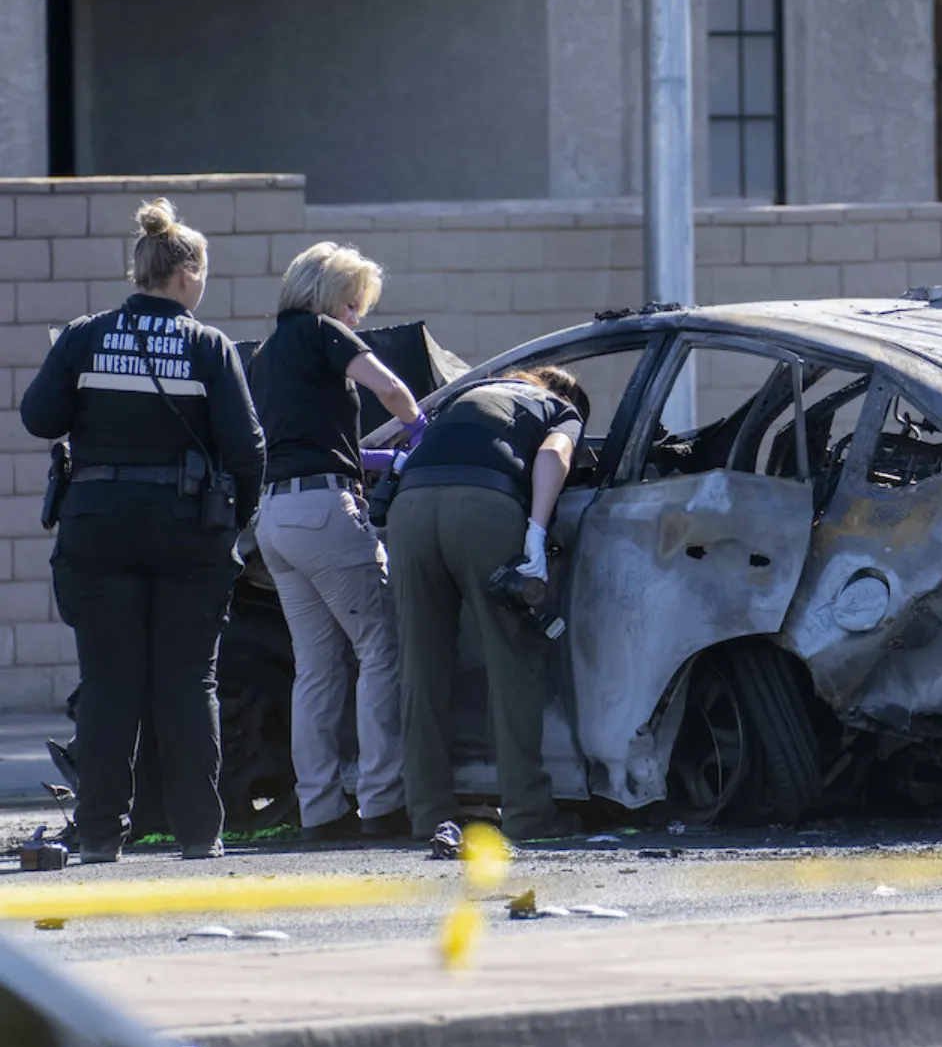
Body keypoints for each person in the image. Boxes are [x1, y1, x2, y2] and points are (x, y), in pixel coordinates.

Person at [20, 199, 266, 863]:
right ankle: (197, 834)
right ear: (186, 275)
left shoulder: (84, 334)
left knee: (108, 683)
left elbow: (39, 418)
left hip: (97, 527)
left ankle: (101, 835)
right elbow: (247, 451)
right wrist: (229, 527)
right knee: (188, 683)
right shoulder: (208, 345)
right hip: (188, 532)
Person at [249, 243, 427, 842]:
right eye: (355, 303)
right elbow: (393, 390)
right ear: (329, 297)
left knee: (316, 668)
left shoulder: (269, 351)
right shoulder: (325, 332)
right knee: (381, 649)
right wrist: (422, 430)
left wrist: (369, 457)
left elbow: (298, 436)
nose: (358, 317)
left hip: (275, 517)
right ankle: (382, 802)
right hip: (325, 513)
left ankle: (320, 808)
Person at [387, 367, 590, 842]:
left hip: (410, 510)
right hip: (483, 508)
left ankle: (429, 815)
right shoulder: (559, 409)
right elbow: (554, 454)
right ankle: (527, 814)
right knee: (512, 660)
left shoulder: (468, 394)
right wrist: (537, 534)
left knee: (420, 668)